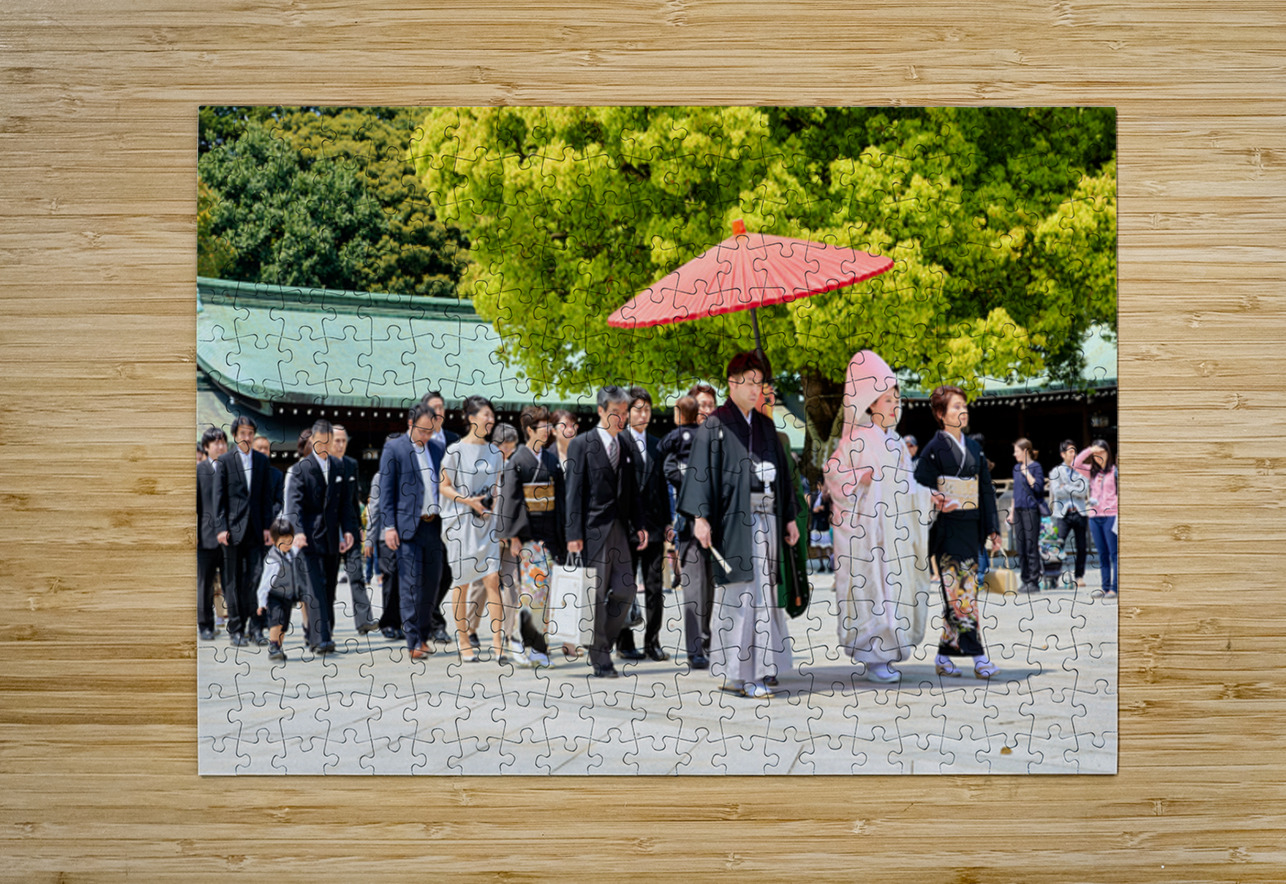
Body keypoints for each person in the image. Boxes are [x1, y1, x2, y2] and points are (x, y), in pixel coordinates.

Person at [677, 352, 800, 700]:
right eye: (748, 382)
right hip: (734, 524)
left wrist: (789, 516)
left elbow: (784, 476)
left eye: (759, 382)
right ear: (731, 383)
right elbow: (700, 473)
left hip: (768, 520)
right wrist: (700, 518)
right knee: (739, 596)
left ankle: (759, 670)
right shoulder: (714, 424)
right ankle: (739, 674)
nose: (754, 389)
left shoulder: (764, 425)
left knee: (764, 595)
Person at [824, 351, 936, 683]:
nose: (894, 405)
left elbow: (909, 485)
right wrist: (859, 479)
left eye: (897, 399)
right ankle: (874, 655)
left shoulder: (899, 445)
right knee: (871, 588)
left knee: (896, 589)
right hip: (868, 534)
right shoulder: (854, 441)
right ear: (870, 404)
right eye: (887, 399)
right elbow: (834, 475)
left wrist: (930, 496)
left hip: (894, 532)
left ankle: (891, 650)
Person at [913, 386, 1003, 679]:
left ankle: (943, 657)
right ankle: (978, 657)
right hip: (947, 530)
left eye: (964, 406)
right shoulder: (932, 449)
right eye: (955, 407)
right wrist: (935, 500)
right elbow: (918, 488)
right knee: (963, 595)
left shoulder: (975, 449)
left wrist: (993, 528)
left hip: (972, 528)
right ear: (940, 414)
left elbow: (986, 490)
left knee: (960, 596)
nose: (962, 411)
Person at [564, 386, 648, 678]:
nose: (622, 419)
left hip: (621, 530)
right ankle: (601, 658)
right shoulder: (582, 444)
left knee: (625, 591)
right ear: (601, 411)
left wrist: (640, 525)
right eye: (616, 413)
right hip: (591, 531)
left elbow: (634, 492)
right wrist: (572, 533)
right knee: (594, 594)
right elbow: (572, 493)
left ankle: (601, 644)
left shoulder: (625, 444)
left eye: (625, 413)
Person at [377, 403, 446, 660]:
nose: (426, 436)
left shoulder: (438, 449)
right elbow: (386, 489)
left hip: (434, 525)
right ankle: (413, 640)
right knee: (410, 584)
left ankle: (425, 635)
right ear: (410, 424)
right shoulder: (394, 448)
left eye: (430, 431)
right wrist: (389, 526)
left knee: (431, 584)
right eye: (422, 430)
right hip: (407, 527)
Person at [441, 396, 507, 663]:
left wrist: (496, 511)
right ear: (471, 418)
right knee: (463, 583)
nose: (490, 420)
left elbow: (498, 488)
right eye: (486, 415)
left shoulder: (495, 452)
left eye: (492, 416)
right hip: (461, 523)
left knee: (492, 579)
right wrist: (468, 500)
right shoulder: (454, 450)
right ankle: (463, 638)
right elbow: (443, 486)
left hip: (487, 522)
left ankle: (497, 641)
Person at [496, 409, 561, 667]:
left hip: (550, 535)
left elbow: (562, 499)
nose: (547, 430)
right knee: (532, 593)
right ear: (530, 431)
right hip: (528, 536)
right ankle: (528, 646)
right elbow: (510, 500)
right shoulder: (518, 461)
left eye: (548, 425)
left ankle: (539, 648)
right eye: (542, 426)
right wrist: (513, 536)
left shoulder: (552, 460)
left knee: (544, 595)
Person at [286, 420, 357, 656]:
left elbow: (346, 504)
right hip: (308, 538)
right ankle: (321, 639)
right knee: (314, 589)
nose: (326, 445)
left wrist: (348, 530)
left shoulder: (339, 467)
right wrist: (297, 532)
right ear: (313, 440)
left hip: (331, 539)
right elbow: (293, 505)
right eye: (322, 441)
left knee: (329, 590)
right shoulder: (300, 469)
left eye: (329, 441)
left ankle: (322, 633)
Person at [616, 386, 671, 663]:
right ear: (626, 412)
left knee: (654, 587)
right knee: (624, 587)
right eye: (638, 408)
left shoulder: (658, 445)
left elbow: (663, 489)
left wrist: (668, 523)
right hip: (626, 530)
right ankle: (624, 641)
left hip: (655, 528)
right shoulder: (617, 442)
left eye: (647, 408)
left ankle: (653, 641)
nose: (643, 413)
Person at [660, 394, 711, 668]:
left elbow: (668, 465)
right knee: (694, 586)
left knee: (707, 587)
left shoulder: (676, 437)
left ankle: (705, 642)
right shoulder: (704, 437)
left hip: (701, 518)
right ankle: (696, 648)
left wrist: (687, 481)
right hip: (693, 523)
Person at [215, 415, 275, 647]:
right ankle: (236, 630)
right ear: (235, 436)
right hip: (231, 530)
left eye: (250, 433)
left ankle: (257, 628)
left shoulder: (261, 461)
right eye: (243, 433)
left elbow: (266, 498)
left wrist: (268, 527)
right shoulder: (225, 461)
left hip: (257, 529)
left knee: (257, 578)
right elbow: (218, 499)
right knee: (232, 581)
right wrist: (221, 528)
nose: (247, 437)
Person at [331, 425, 380, 635]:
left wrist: (359, 528)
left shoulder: (351, 465)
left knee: (357, 575)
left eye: (344, 440)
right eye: (337, 441)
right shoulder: (322, 465)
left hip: (351, 529)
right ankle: (324, 626)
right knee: (328, 579)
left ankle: (364, 620)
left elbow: (353, 500)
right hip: (329, 531)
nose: (341, 445)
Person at [255, 518, 305, 662]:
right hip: (274, 595)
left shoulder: (290, 553)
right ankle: (273, 646)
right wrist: (261, 602)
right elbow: (265, 583)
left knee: (283, 625)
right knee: (276, 621)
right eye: (284, 542)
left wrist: (300, 542)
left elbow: (296, 548)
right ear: (275, 541)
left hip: (288, 596)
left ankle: (278, 646)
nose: (287, 545)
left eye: (290, 541)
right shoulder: (272, 560)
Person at [1074, 439, 1119, 597]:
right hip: (1094, 517)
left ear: (1108, 453)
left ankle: (1114, 588)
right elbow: (1076, 463)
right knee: (1102, 554)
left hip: (1111, 516)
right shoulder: (1091, 472)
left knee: (1114, 553)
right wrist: (1089, 450)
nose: (1099, 456)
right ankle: (1104, 587)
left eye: (1102, 452)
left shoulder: (1114, 472)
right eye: (1096, 454)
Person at [197, 428, 228, 641]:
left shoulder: (231, 469)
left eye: (223, 442)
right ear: (206, 447)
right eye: (216, 443)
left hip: (228, 538)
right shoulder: (198, 472)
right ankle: (205, 625)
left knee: (231, 583)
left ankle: (235, 624)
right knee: (205, 584)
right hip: (205, 538)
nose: (220, 446)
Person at [1048, 440, 1090, 588]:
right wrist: (1074, 488)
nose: (1073, 454)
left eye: (1074, 451)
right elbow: (1056, 491)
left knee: (1081, 547)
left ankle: (1079, 576)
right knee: (1056, 545)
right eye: (1070, 452)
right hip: (1062, 514)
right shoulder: (1055, 472)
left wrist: (1065, 486)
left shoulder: (1082, 470)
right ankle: (1053, 576)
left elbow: (1084, 491)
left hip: (1079, 511)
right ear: (1063, 454)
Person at [1008, 438, 1046, 595]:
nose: (1014, 454)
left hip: (1031, 510)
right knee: (1021, 546)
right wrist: (1011, 512)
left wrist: (1027, 473)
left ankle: (1034, 581)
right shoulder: (1015, 468)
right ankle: (1025, 580)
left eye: (1016, 451)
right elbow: (1015, 493)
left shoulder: (1036, 467)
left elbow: (1038, 488)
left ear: (1025, 451)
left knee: (1031, 546)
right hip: (1018, 510)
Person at [252, 434, 285, 520]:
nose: (263, 451)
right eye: (259, 448)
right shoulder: (244, 473)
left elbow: (280, 501)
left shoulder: (277, 475)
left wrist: (268, 515)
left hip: (270, 521)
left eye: (266, 448)